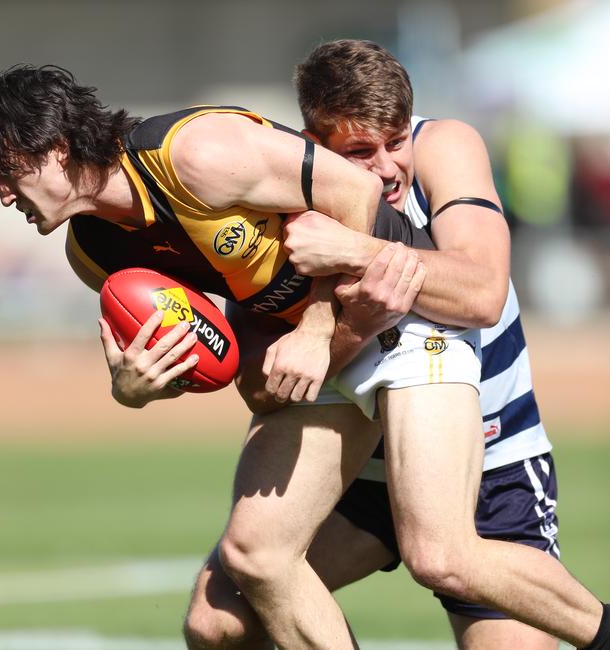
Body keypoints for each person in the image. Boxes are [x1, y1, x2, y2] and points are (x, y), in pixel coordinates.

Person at [0, 63, 608, 650]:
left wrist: (318, 326)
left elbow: (355, 190)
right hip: (326, 346)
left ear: (56, 148)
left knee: (440, 554)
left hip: (398, 311)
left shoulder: (196, 153)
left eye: (6, 174)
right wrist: (135, 388)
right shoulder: (95, 256)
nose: (5, 196)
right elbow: (216, 350)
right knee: (251, 564)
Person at [183, 41, 610, 650]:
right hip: (362, 464)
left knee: (445, 559)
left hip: (489, 457)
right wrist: (343, 326)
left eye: (395, 141)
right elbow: (261, 386)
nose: (386, 168)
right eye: (360, 152)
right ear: (313, 145)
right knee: (218, 621)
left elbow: (482, 292)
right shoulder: (274, 202)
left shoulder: (446, 146)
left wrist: (357, 253)